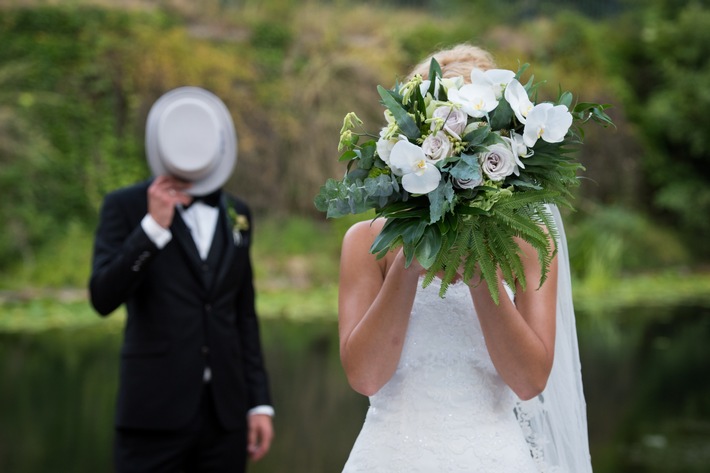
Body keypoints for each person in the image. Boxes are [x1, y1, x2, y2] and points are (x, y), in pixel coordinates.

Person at [337, 45, 593, 472]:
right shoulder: (365, 243)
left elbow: (529, 383)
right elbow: (365, 378)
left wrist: (480, 274)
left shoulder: (531, 242)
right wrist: (409, 262)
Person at [89, 86, 274, 473]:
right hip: (153, 413)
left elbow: (242, 312)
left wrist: (258, 403)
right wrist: (152, 230)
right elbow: (103, 297)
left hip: (226, 415)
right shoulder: (124, 206)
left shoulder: (237, 212)